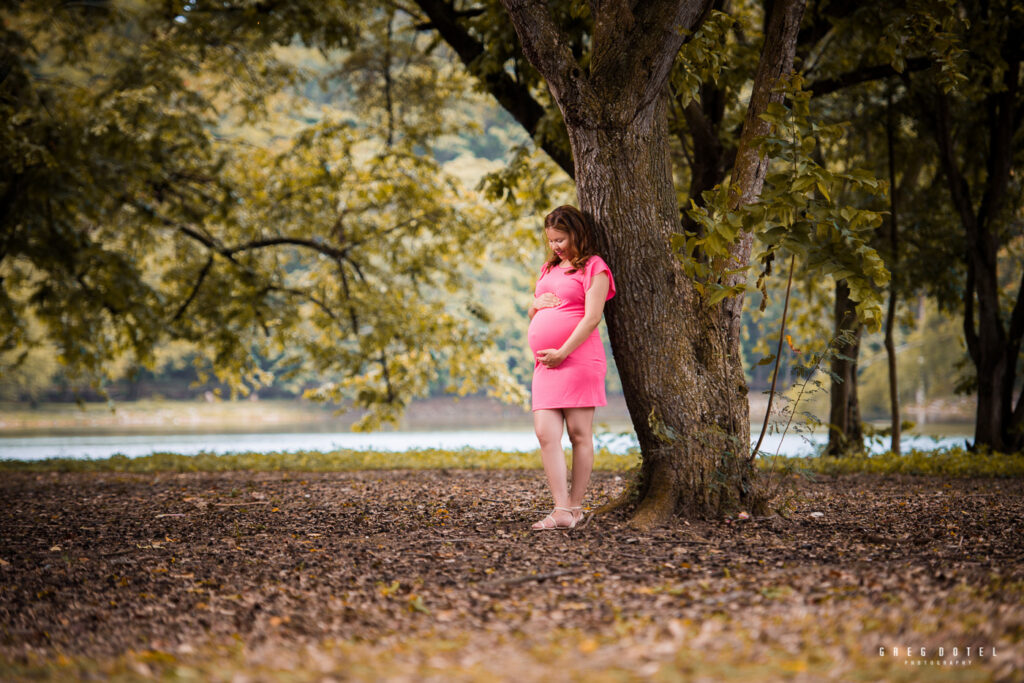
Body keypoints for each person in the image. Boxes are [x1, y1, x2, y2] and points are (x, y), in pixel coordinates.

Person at [526, 205, 615, 530]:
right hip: (546, 364)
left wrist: (563, 352)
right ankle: (560, 507)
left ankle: (574, 508)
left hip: (577, 359)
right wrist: (533, 307)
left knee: (579, 435)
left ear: (577, 233)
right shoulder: (548, 268)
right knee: (545, 433)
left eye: (561, 239)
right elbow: (539, 314)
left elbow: (592, 318)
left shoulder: (595, 268)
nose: (556, 246)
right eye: (551, 240)